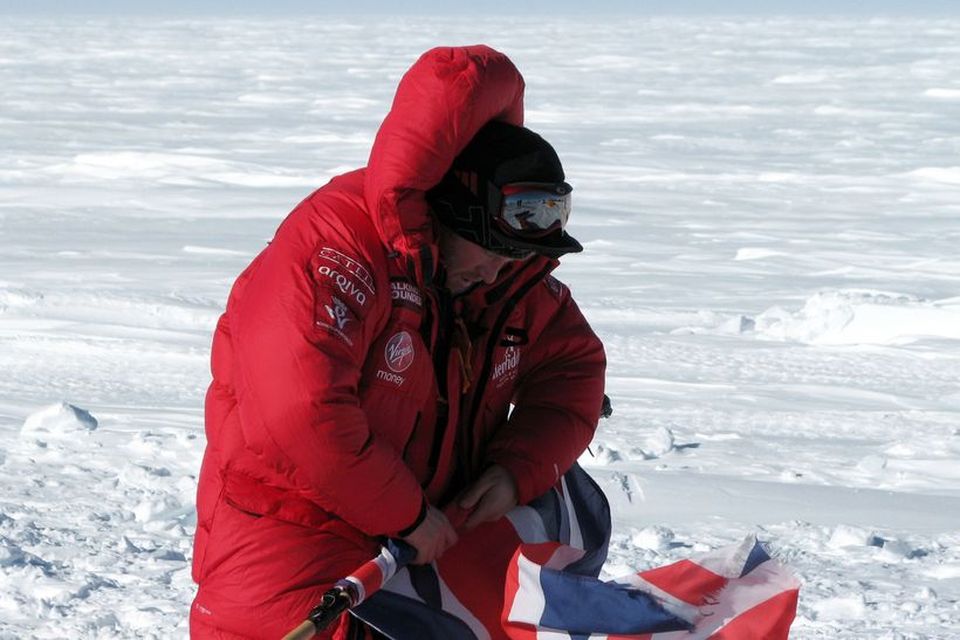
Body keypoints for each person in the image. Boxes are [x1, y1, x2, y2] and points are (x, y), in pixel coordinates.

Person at [189, 45, 606, 639]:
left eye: (519, 256)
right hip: (297, 517)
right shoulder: (337, 247)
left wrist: (517, 470)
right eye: (493, 250)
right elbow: (302, 415)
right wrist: (405, 517)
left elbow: (573, 371)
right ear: (447, 214)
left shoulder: (501, 272)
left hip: (432, 521)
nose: (498, 272)